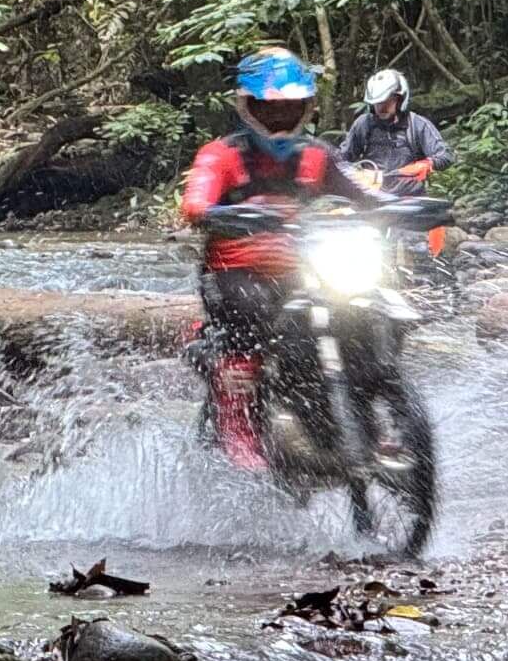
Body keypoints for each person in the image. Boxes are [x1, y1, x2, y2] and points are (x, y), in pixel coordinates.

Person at [179, 47, 367, 469]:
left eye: (289, 108)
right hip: (232, 270)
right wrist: (217, 213)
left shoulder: (318, 155)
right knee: (252, 311)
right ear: (246, 107)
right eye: (269, 108)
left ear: (306, 107)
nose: (279, 117)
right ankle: (238, 423)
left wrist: (406, 206)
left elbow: (363, 193)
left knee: (356, 308)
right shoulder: (220, 155)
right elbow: (194, 203)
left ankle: (374, 408)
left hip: (301, 268)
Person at [338, 68, 454, 195]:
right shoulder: (364, 124)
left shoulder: (417, 125)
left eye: (388, 101)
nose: (382, 107)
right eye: (378, 103)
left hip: (410, 198)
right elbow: (343, 158)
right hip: (372, 197)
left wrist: (427, 164)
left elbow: (446, 155)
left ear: (399, 99)